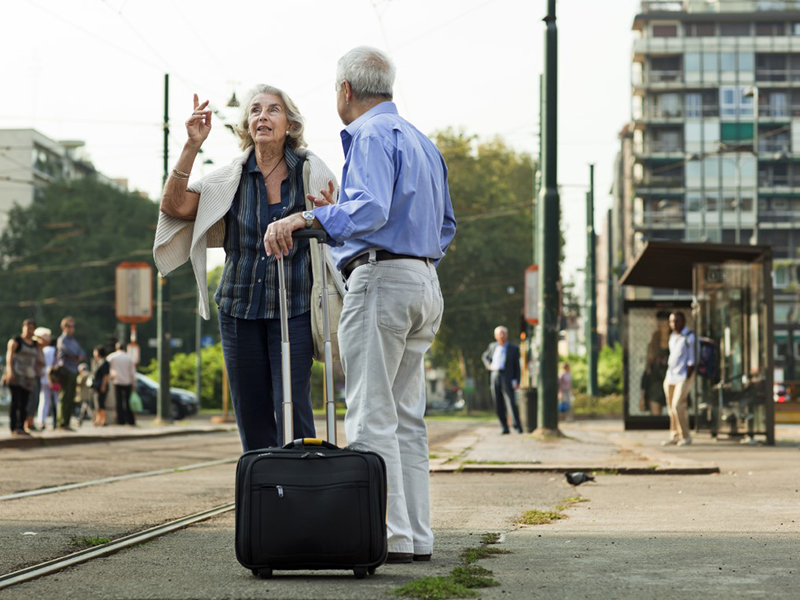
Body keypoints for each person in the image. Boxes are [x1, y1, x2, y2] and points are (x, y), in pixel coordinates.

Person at [264, 46, 456, 564]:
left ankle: (385, 536)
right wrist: (343, 219)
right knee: (408, 418)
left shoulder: (370, 135)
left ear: (345, 91)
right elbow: (445, 226)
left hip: (382, 281)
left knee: (371, 415)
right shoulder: (421, 141)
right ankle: (416, 536)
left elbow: (370, 207)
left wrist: (304, 220)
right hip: (423, 281)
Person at [154, 85, 339, 451]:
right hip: (239, 309)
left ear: (290, 124)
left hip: (295, 309)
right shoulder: (230, 179)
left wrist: (320, 214)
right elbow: (174, 207)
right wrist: (191, 145)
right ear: (246, 125)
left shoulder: (310, 172)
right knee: (252, 418)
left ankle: (303, 493)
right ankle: (266, 497)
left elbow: (336, 223)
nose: (262, 117)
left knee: (294, 411)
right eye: (255, 111)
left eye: (273, 110)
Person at [4, 319, 43, 437]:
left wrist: (36, 335)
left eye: (32, 328)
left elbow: (46, 342)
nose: (29, 330)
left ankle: (21, 426)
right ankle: (14, 427)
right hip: (16, 374)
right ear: (23, 327)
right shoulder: (16, 341)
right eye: (27, 327)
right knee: (16, 402)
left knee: (25, 403)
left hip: (29, 377)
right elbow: (9, 357)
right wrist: (10, 372)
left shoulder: (35, 343)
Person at [481, 326, 523, 434]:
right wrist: (488, 365)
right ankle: (504, 426)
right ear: (495, 336)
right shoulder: (492, 346)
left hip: (507, 376)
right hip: (495, 375)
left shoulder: (513, 348)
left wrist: (516, 380)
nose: (501, 335)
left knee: (510, 401)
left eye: (503, 333)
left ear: (507, 335)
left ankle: (517, 426)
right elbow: (484, 356)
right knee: (497, 402)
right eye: (499, 333)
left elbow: (517, 366)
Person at [662, 311, 695, 446]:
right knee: (671, 407)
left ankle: (686, 436)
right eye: (671, 321)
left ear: (683, 321)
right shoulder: (673, 337)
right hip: (670, 376)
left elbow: (692, 360)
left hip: (683, 376)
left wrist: (687, 376)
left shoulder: (689, 337)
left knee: (678, 405)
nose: (673, 324)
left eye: (676, 321)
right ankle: (674, 435)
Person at [56, 316, 86, 431]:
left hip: (74, 370)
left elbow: (81, 353)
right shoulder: (62, 340)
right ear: (63, 327)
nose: (71, 329)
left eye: (73, 326)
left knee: (71, 397)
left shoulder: (73, 341)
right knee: (64, 397)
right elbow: (70, 352)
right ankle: (62, 422)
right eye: (68, 326)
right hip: (65, 370)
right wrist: (76, 356)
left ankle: (67, 422)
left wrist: (78, 356)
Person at [639, 311, 670, 416]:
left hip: (672, 382)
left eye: (665, 324)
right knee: (655, 418)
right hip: (655, 384)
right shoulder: (653, 343)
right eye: (660, 324)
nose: (663, 326)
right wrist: (642, 395)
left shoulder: (676, 341)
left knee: (675, 414)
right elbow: (647, 370)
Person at [107, 343, 137, 426]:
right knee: (128, 402)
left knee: (119, 402)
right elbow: (133, 372)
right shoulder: (129, 358)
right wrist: (134, 383)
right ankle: (130, 420)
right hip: (128, 382)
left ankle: (121, 420)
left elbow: (107, 366)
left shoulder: (112, 357)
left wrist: (111, 375)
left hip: (117, 381)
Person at [37, 330, 59, 430]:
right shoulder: (56, 351)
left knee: (44, 401)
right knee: (57, 400)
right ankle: (58, 420)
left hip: (44, 377)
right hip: (54, 379)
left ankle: (41, 421)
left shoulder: (43, 350)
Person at [91, 346, 110, 427]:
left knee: (101, 403)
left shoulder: (105, 363)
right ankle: (98, 419)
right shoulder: (95, 362)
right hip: (96, 386)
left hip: (102, 385)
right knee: (97, 403)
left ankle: (103, 420)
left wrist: (103, 385)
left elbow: (106, 375)